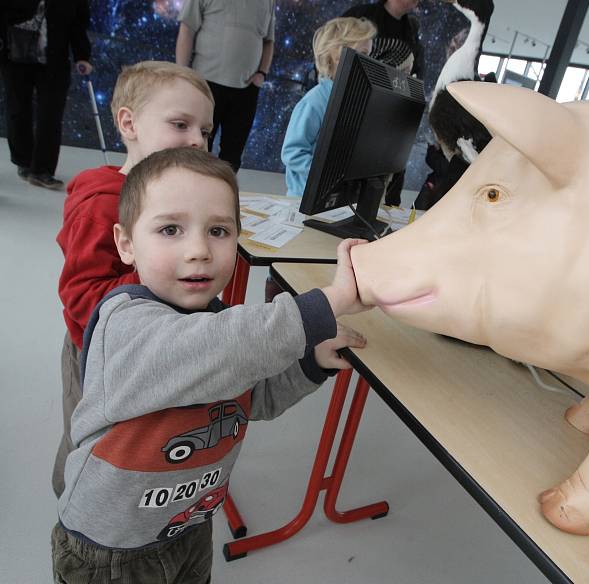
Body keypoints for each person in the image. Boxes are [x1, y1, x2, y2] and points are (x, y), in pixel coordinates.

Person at [52, 147, 369, 582]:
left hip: (189, 522)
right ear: (126, 245)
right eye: (170, 230)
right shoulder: (123, 323)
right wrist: (323, 306)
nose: (199, 250)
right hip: (112, 549)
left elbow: (252, 399)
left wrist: (310, 365)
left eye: (218, 230)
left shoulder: (219, 323)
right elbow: (211, 350)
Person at [52, 61, 215, 498]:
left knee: (137, 436)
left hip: (149, 346)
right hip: (98, 355)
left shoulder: (177, 199)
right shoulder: (100, 205)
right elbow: (83, 297)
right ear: (129, 123)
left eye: (205, 130)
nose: (197, 140)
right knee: (90, 436)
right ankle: (75, 497)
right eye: (181, 124)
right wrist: (159, 278)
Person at [0, 0, 92, 190]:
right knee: (17, 109)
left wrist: (82, 55)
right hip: (15, 55)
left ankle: (42, 170)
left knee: (51, 114)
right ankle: (24, 161)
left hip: (54, 59)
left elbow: (78, 23)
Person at [176, 0, 276, 172]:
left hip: (246, 90)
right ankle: (188, 193)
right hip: (205, 85)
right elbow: (187, 29)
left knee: (233, 155)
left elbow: (269, 41)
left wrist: (262, 73)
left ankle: (222, 197)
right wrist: (182, 75)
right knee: (195, 149)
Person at [281, 17, 376, 197]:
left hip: (335, 198)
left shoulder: (353, 100)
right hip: (304, 199)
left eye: (369, 55)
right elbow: (292, 152)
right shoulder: (315, 102)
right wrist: (325, 175)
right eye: (363, 55)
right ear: (337, 56)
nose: (368, 63)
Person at [343, 0, 424, 205]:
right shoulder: (361, 14)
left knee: (389, 172)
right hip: (358, 107)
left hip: (391, 112)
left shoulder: (412, 28)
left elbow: (417, 71)